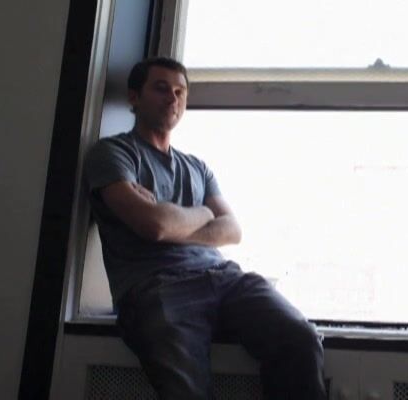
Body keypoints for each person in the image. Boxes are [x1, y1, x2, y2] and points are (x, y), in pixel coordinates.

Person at [84, 57, 327, 399]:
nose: (173, 98)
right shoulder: (113, 154)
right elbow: (154, 226)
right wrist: (203, 213)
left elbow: (232, 230)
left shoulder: (197, 167)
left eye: (180, 91)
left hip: (224, 278)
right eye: (161, 88)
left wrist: (178, 218)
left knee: (300, 339)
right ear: (134, 97)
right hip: (157, 289)